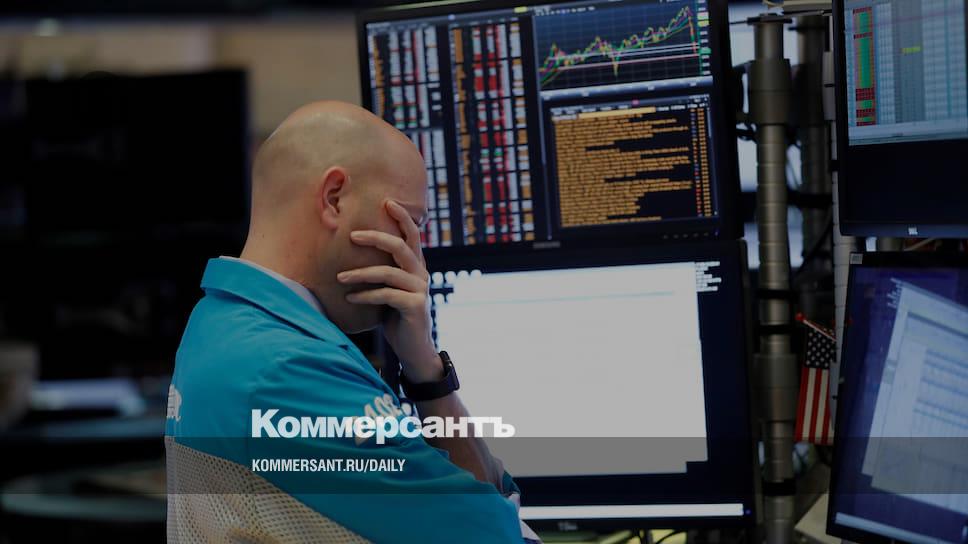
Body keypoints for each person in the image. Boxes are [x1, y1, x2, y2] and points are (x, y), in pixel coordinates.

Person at [165, 101, 538, 543]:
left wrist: (425, 370)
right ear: (333, 198)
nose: (414, 258)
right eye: (408, 222)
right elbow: (499, 533)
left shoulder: (216, 323)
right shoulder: (289, 374)